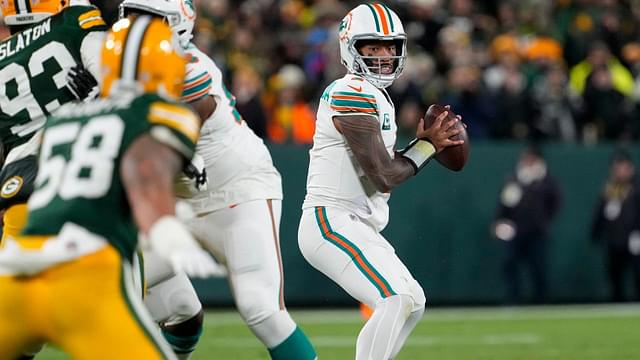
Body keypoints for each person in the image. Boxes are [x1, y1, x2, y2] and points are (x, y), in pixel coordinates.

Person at [0, 14, 219, 359]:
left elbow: (18, 173)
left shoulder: (65, 117)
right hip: (90, 268)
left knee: (180, 307)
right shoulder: (162, 115)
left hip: (21, 269)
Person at [118, 1, 318, 359]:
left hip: (236, 194)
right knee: (135, 294)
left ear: (177, 25)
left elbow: (174, 133)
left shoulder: (192, 68)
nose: (135, 25)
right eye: (132, 15)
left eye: (147, 18)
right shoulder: (115, 67)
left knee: (261, 309)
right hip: (178, 205)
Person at [297, 4, 464, 360]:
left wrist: (423, 148)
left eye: (390, 47)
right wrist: (426, 148)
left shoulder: (375, 95)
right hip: (330, 220)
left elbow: (383, 168)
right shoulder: (350, 90)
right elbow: (384, 175)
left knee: (413, 301)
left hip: (355, 222)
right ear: (350, 48)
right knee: (395, 297)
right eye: (373, 47)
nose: (384, 56)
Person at [0, 0, 106, 244]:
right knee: (122, 276)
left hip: (22, 189)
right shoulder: (75, 20)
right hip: (85, 176)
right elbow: (122, 85)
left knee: (15, 278)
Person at [492, 145, 562, 304]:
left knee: (538, 268)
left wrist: (543, 221)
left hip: (537, 233)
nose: (527, 161)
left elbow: (556, 203)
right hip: (515, 232)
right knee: (510, 265)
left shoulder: (546, 180)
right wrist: (497, 223)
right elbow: (503, 204)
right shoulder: (514, 179)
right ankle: (512, 300)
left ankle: (541, 301)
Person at [591, 149, 640, 302]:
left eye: (622, 167)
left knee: (637, 274)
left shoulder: (637, 186)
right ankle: (618, 303)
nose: (619, 171)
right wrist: (596, 232)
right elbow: (601, 211)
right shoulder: (609, 188)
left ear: (630, 168)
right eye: (616, 168)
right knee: (615, 275)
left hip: (634, 239)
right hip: (614, 240)